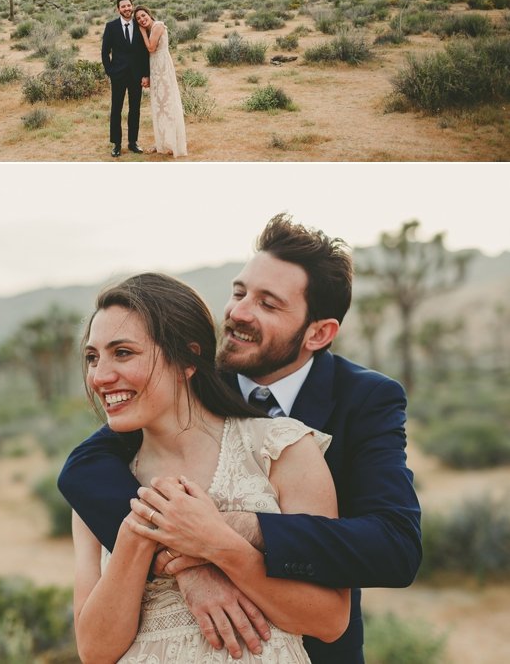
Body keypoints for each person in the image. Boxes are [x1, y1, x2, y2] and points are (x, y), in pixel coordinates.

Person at [59, 215, 422, 664]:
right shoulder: (189, 384)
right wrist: (184, 560)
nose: (238, 313)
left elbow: (394, 546)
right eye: (238, 293)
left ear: (319, 333)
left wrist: (231, 531)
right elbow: (83, 467)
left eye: (268, 304)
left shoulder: (365, 400)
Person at [71, 272, 350, 664]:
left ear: (187, 359)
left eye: (123, 353)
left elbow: (330, 618)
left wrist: (220, 548)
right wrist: (141, 534)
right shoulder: (100, 486)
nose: (100, 376)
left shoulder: (281, 449)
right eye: (92, 357)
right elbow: (95, 651)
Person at [100, 0, 150, 158]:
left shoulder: (140, 25)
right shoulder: (111, 27)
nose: (127, 9)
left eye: (129, 6)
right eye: (123, 6)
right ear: (118, 9)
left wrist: (146, 74)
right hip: (118, 76)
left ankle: (133, 142)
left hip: (136, 76)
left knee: (135, 109)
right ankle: (116, 144)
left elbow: (145, 53)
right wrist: (110, 71)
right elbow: (105, 52)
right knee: (116, 109)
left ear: (132, 6)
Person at [134, 6, 187, 157]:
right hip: (155, 68)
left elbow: (151, 47)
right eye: (138, 19)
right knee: (159, 106)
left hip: (163, 68)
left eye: (143, 16)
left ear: (149, 14)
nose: (142, 19)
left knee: (167, 103)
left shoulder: (157, 26)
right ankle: (162, 142)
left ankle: (172, 142)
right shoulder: (151, 28)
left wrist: (143, 32)